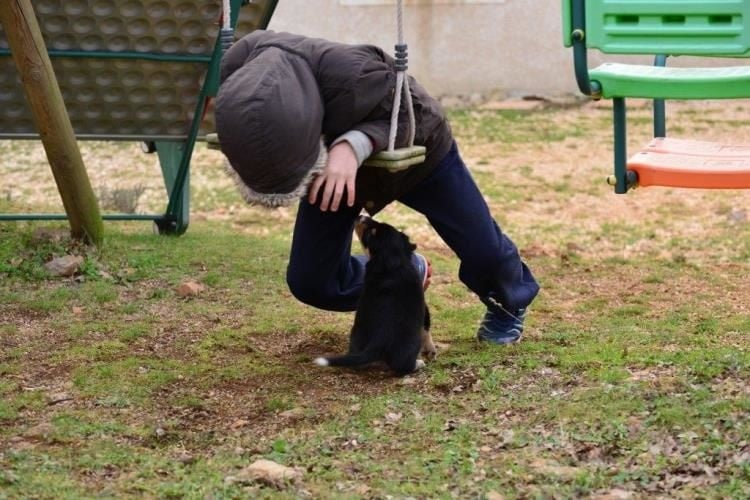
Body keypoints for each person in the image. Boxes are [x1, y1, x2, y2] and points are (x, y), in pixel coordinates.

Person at [215, 30, 539, 344]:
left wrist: (351, 146)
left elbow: (416, 116)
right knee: (311, 281)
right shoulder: (240, 66)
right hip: (332, 174)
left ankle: (508, 303)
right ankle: (407, 271)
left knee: (485, 253)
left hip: (416, 153)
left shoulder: (355, 74)